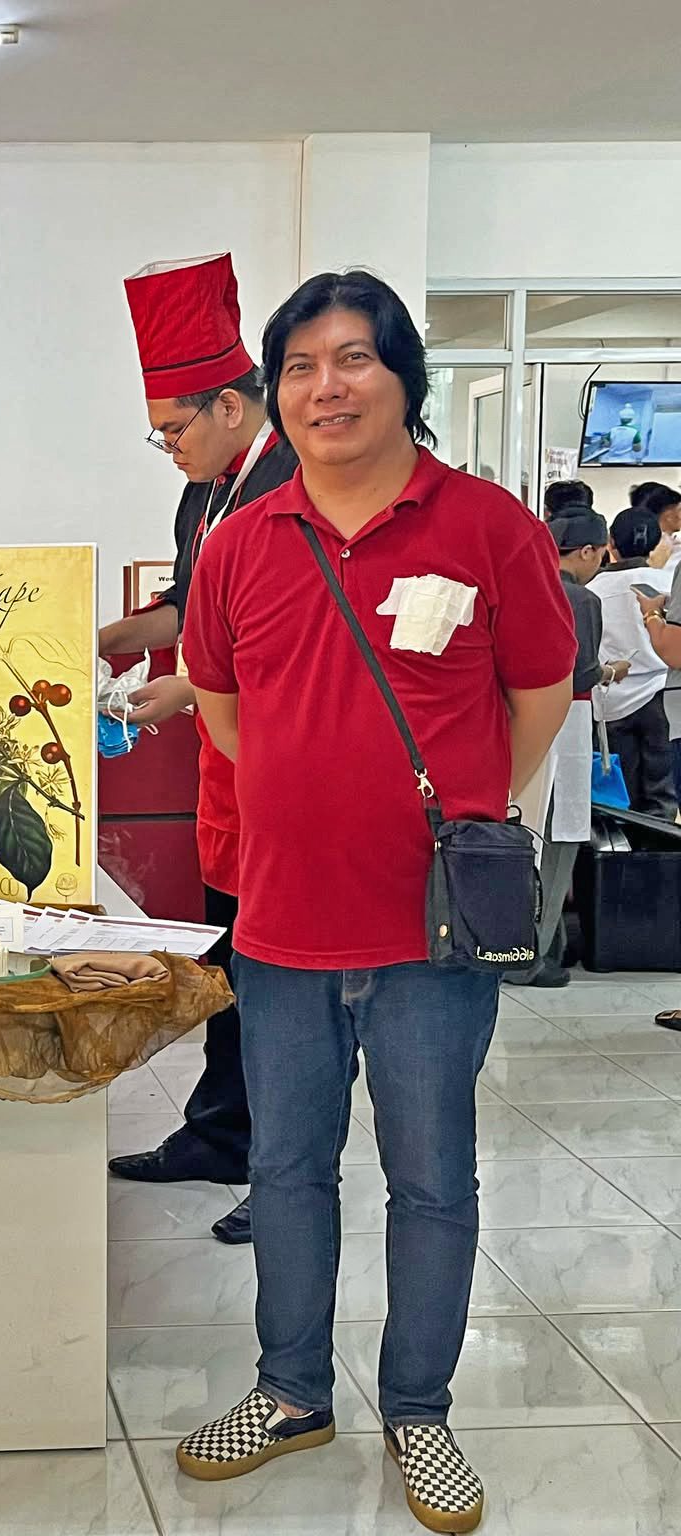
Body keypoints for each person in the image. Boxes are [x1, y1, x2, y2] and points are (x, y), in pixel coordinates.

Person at [177, 272, 573, 1534]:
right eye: (299, 366)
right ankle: (291, 1392)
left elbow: (540, 694)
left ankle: (420, 1410)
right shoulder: (245, 540)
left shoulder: (488, 527)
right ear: (276, 392)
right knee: (286, 1169)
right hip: (283, 921)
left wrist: (460, 813)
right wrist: (313, 798)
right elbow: (224, 709)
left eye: (353, 358)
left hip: (430, 932)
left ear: (405, 377)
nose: (325, 387)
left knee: (433, 1178)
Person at [102, 253, 299, 1248]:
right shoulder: (206, 491)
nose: (167, 449)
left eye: (172, 430)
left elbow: (298, 640)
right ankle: (220, 1134)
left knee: (286, 985)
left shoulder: (297, 482)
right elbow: (187, 610)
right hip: (224, 771)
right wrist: (95, 640)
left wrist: (185, 689)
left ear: (229, 404)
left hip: (290, 766)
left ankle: (288, 1174)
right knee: (230, 959)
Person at [508, 510, 627, 987]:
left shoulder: (516, 586)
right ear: (587, 551)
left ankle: (503, 940)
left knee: (518, 834)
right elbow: (582, 672)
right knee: (559, 837)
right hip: (567, 724)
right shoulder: (582, 599)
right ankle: (531, 954)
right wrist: (612, 671)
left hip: (511, 722)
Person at [589, 506, 677, 820]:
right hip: (662, 699)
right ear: (655, 544)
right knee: (663, 794)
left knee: (619, 796)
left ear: (610, 543)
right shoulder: (668, 582)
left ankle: (623, 848)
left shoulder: (592, 589)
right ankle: (661, 847)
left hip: (610, 702)